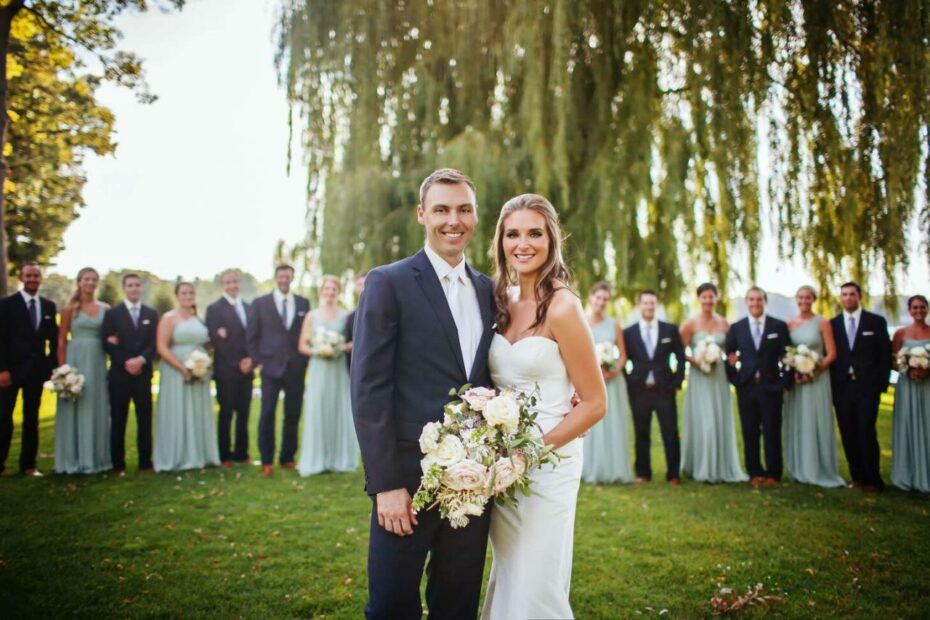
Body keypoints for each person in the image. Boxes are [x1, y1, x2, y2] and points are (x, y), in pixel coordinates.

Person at [351, 168, 497, 619]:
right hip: (406, 481)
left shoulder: (490, 291)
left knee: (456, 604)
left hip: (473, 481)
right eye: (441, 209)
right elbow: (368, 388)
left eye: (463, 209)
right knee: (393, 604)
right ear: (422, 214)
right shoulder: (388, 282)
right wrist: (386, 485)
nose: (453, 220)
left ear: (475, 216)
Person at [481, 194, 606, 619]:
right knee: (512, 575)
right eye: (513, 234)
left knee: (539, 585)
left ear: (552, 239)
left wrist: (529, 452)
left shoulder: (564, 306)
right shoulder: (498, 302)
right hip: (501, 465)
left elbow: (594, 403)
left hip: (549, 464)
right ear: (500, 241)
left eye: (535, 233)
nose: (523, 243)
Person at [680, 283, 748, 483]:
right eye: (704, 297)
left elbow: (731, 351)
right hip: (699, 378)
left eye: (711, 297)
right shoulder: (690, 324)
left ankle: (720, 466)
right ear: (699, 299)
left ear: (716, 298)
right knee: (704, 421)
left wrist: (727, 358)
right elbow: (681, 352)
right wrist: (697, 361)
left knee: (718, 419)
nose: (708, 301)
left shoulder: (724, 324)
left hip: (718, 377)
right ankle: (700, 466)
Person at [247, 265, 310, 477]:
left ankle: (287, 457)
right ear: (276, 277)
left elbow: (306, 334)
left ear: (292, 278)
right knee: (267, 414)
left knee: (292, 415)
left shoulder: (303, 303)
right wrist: (258, 361)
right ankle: (266, 461)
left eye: (288, 276)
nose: (284, 279)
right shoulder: (260, 303)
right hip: (270, 368)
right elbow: (252, 335)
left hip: (295, 368)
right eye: (281, 275)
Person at [725, 286, 791, 485]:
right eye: (751, 300)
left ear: (765, 302)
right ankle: (754, 471)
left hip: (771, 387)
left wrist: (784, 382)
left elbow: (788, 355)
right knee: (749, 431)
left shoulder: (778, 326)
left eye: (759, 299)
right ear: (747, 303)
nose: (755, 303)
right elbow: (728, 356)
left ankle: (773, 473)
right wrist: (735, 380)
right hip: (747, 388)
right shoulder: (737, 328)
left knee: (772, 430)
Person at [830, 281, 892, 493]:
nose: (848, 298)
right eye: (844, 295)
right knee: (847, 432)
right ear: (841, 298)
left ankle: (873, 479)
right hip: (842, 388)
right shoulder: (834, 324)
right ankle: (857, 477)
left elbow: (885, 355)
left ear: (860, 296)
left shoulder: (875, 322)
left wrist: (881, 384)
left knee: (866, 430)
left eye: (851, 294)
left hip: (867, 388)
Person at [153, 282, 220, 472]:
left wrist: (204, 364)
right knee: (178, 410)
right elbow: (161, 347)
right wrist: (182, 368)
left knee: (197, 411)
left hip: (200, 371)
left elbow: (207, 343)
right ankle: (177, 456)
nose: (188, 296)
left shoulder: (198, 319)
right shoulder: (169, 318)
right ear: (177, 295)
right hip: (176, 371)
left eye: (191, 292)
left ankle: (200, 454)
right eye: (184, 293)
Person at [783, 285, 846, 487]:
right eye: (800, 297)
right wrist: (796, 369)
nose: (804, 301)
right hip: (797, 383)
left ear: (813, 299)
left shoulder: (822, 322)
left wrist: (813, 371)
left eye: (808, 297)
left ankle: (820, 469)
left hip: (817, 380)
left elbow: (832, 354)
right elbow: (786, 354)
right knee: (798, 420)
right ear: (796, 299)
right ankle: (799, 468)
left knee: (816, 420)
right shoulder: (789, 325)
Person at [0, 262, 58, 476]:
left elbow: (53, 341)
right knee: (4, 417)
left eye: (36, 276)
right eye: (28, 275)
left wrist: (51, 368)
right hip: (10, 372)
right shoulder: (6, 305)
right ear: (21, 278)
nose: (32, 279)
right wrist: (3, 369)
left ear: (40, 278)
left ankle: (28, 465)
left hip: (36, 373)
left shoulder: (48, 306)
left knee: (31, 419)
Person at [623, 290, 685, 485]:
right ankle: (643, 473)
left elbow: (681, 357)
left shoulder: (670, 330)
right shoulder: (629, 332)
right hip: (639, 390)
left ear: (656, 305)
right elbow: (623, 359)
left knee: (670, 432)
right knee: (641, 432)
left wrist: (676, 382)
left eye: (652, 303)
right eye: (645, 303)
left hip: (664, 389)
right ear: (639, 306)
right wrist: (630, 381)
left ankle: (673, 474)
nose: (649, 306)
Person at [297, 274, 357, 475]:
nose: (330, 292)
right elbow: (302, 345)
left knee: (339, 408)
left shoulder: (346, 315)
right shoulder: (311, 316)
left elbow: (352, 342)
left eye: (334, 289)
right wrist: (320, 350)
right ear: (321, 291)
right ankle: (317, 460)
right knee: (318, 409)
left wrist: (341, 347)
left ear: (338, 292)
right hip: (319, 368)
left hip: (338, 367)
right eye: (327, 289)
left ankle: (339, 459)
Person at [54, 267, 111, 474]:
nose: (90, 283)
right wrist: (64, 371)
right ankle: (72, 458)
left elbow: (112, 337)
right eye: (86, 279)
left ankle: (96, 458)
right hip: (75, 359)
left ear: (97, 283)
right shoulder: (70, 308)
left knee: (95, 405)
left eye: (94, 279)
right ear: (79, 282)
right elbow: (61, 341)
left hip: (96, 360)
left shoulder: (106, 308)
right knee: (74, 406)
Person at [102, 273, 158, 474]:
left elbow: (154, 344)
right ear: (124, 288)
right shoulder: (112, 314)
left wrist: (141, 360)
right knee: (118, 420)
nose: (134, 288)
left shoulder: (151, 314)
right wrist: (126, 361)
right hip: (119, 376)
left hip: (143, 375)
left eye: (137, 285)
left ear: (141, 288)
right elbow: (107, 343)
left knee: (145, 420)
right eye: (130, 285)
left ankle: (145, 463)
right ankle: (118, 464)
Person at [581, 281, 633, 484]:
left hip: (612, 382)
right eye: (598, 297)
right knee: (590, 423)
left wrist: (614, 370)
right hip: (588, 380)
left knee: (612, 422)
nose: (601, 302)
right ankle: (591, 467)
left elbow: (622, 356)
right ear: (590, 298)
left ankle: (614, 469)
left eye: (605, 299)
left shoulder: (614, 324)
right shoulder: (580, 321)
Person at [206, 270, 254, 467]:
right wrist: (237, 363)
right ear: (222, 285)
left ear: (239, 283)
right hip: (226, 370)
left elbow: (254, 337)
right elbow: (218, 342)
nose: (232, 285)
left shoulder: (249, 308)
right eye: (228, 282)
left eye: (234, 281)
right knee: (226, 413)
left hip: (248, 369)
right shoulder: (214, 309)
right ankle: (224, 455)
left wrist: (251, 360)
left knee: (244, 414)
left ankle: (242, 454)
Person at [890, 295, 930, 493]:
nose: (919, 311)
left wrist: (926, 369)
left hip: (928, 386)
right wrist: (908, 369)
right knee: (907, 425)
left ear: (927, 309)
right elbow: (892, 360)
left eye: (922, 307)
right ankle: (907, 475)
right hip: (907, 386)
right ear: (909, 310)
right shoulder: (901, 333)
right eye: (915, 308)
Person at [344, 270, 367, 373]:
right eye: (359, 284)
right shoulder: (351, 316)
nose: (362, 287)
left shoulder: (385, 310)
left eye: (365, 283)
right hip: (356, 369)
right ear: (355, 288)